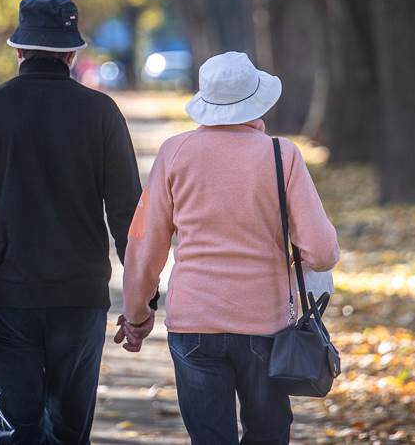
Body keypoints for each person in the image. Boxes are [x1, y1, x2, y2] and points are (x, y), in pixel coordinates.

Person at [0, 0, 145, 445]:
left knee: (19, 431)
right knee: (68, 433)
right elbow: (128, 216)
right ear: (71, 52)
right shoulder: (101, 113)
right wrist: (142, 303)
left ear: (19, 49)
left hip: (5, 296)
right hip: (80, 298)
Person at [118, 51, 340, 445]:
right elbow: (322, 252)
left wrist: (137, 315)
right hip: (266, 326)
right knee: (267, 434)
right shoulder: (281, 155)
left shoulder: (174, 153)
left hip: (193, 324)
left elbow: (143, 245)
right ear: (258, 101)